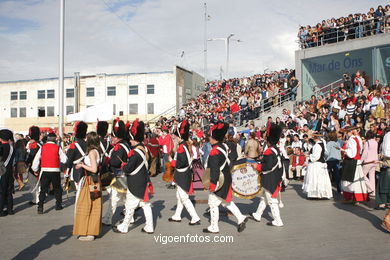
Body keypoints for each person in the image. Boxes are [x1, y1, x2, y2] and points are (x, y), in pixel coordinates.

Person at [203, 122, 248, 233]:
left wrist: (213, 184)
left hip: (219, 179)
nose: (209, 137)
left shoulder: (214, 151)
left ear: (214, 138)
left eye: (210, 136)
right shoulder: (222, 146)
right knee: (225, 202)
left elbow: (214, 169)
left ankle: (214, 227)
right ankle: (241, 218)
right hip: (225, 177)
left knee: (213, 203)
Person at [113, 120, 154, 234]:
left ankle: (124, 226)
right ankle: (149, 226)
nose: (130, 141)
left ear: (134, 139)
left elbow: (128, 168)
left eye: (131, 139)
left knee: (130, 205)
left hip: (135, 182)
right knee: (145, 204)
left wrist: (123, 165)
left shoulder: (135, 153)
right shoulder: (144, 149)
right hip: (143, 179)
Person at [168, 120, 201, 225]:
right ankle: (177, 215)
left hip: (182, 174)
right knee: (179, 196)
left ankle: (195, 217)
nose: (175, 138)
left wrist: (171, 161)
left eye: (176, 136)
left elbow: (181, 163)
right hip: (183, 173)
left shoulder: (182, 147)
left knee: (184, 197)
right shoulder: (185, 145)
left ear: (179, 137)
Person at [251, 124, 284, 226]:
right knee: (264, 198)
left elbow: (268, 166)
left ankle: (278, 220)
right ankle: (257, 214)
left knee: (272, 201)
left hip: (270, 177)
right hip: (275, 176)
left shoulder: (269, 151)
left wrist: (257, 166)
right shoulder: (276, 149)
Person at [73, 132, 102, 241]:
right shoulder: (97, 151)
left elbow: (94, 169)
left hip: (90, 180)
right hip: (95, 181)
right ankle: (91, 231)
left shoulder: (91, 152)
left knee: (85, 205)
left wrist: (82, 165)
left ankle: (88, 232)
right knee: (94, 205)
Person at [102, 119, 131, 226]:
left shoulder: (119, 147)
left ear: (116, 137)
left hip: (120, 176)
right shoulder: (124, 144)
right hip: (122, 175)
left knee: (113, 199)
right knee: (125, 199)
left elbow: (115, 162)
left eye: (112, 137)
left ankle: (107, 219)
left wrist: (107, 160)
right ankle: (130, 217)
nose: (111, 139)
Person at [32, 133, 67, 214]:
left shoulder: (42, 148)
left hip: (45, 170)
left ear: (47, 139)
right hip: (55, 170)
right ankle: (58, 205)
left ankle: (40, 207)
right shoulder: (57, 148)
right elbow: (64, 160)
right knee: (57, 188)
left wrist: (35, 169)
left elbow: (36, 160)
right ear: (55, 139)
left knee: (43, 189)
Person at [340, 127, 369, 203]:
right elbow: (359, 150)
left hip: (351, 161)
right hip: (356, 161)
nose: (346, 134)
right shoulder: (358, 138)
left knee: (349, 180)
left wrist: (343, 150)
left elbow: (352, 153)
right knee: (356, 180)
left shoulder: (351, 140)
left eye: (346, 132)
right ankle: (355, 197)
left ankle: (349, 197)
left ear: (350, 132)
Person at [302, 134, 333, 199]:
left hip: (316, 164)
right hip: (320, 164)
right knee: (319, 179)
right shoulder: (322, 144)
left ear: (316, 138)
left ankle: (315, 194)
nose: (313, 139)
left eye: (313, 138)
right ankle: (318, 194)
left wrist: (309, 156)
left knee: (315, 179)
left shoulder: (317, 146)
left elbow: (315, 157)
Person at [65, 121, 88, 190]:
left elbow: (69, 161)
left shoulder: (74, 145)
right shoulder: (88, 144)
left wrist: (67, 173)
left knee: (79, 194)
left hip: (77, 171)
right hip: (87, 169)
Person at [0, 129, 15, 216]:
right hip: (9, 170)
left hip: (2, 171)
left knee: (2, 192)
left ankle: (1, 210)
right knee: (9, 191)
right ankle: (10, 210)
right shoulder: (12, 147)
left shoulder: (1, 147)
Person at [26, 126, 42, 205]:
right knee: (38, 182)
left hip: (34, 166)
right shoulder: (40, 143)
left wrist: (27, 162)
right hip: (40, 165)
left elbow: (31, 156)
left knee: (33, 183)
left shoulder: (33, 144)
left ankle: (36, 199)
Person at [376, 128, 390, 210]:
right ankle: (384, 203)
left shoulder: (387, 135)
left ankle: (384, 203)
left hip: (388, 165)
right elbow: (386, 152)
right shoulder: (388, 135)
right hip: (388, 164)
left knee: (384, 184)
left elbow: (386, 152)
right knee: (385, 184)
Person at [361, 131, 379, 196]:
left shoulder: (367, 142)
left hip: (368, 161)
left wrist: (361, 161)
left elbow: (364, 153)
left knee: (362, 175)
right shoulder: (375, 142)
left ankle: (370, 188)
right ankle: (373, 191)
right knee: (372, 176)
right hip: (375, 161)